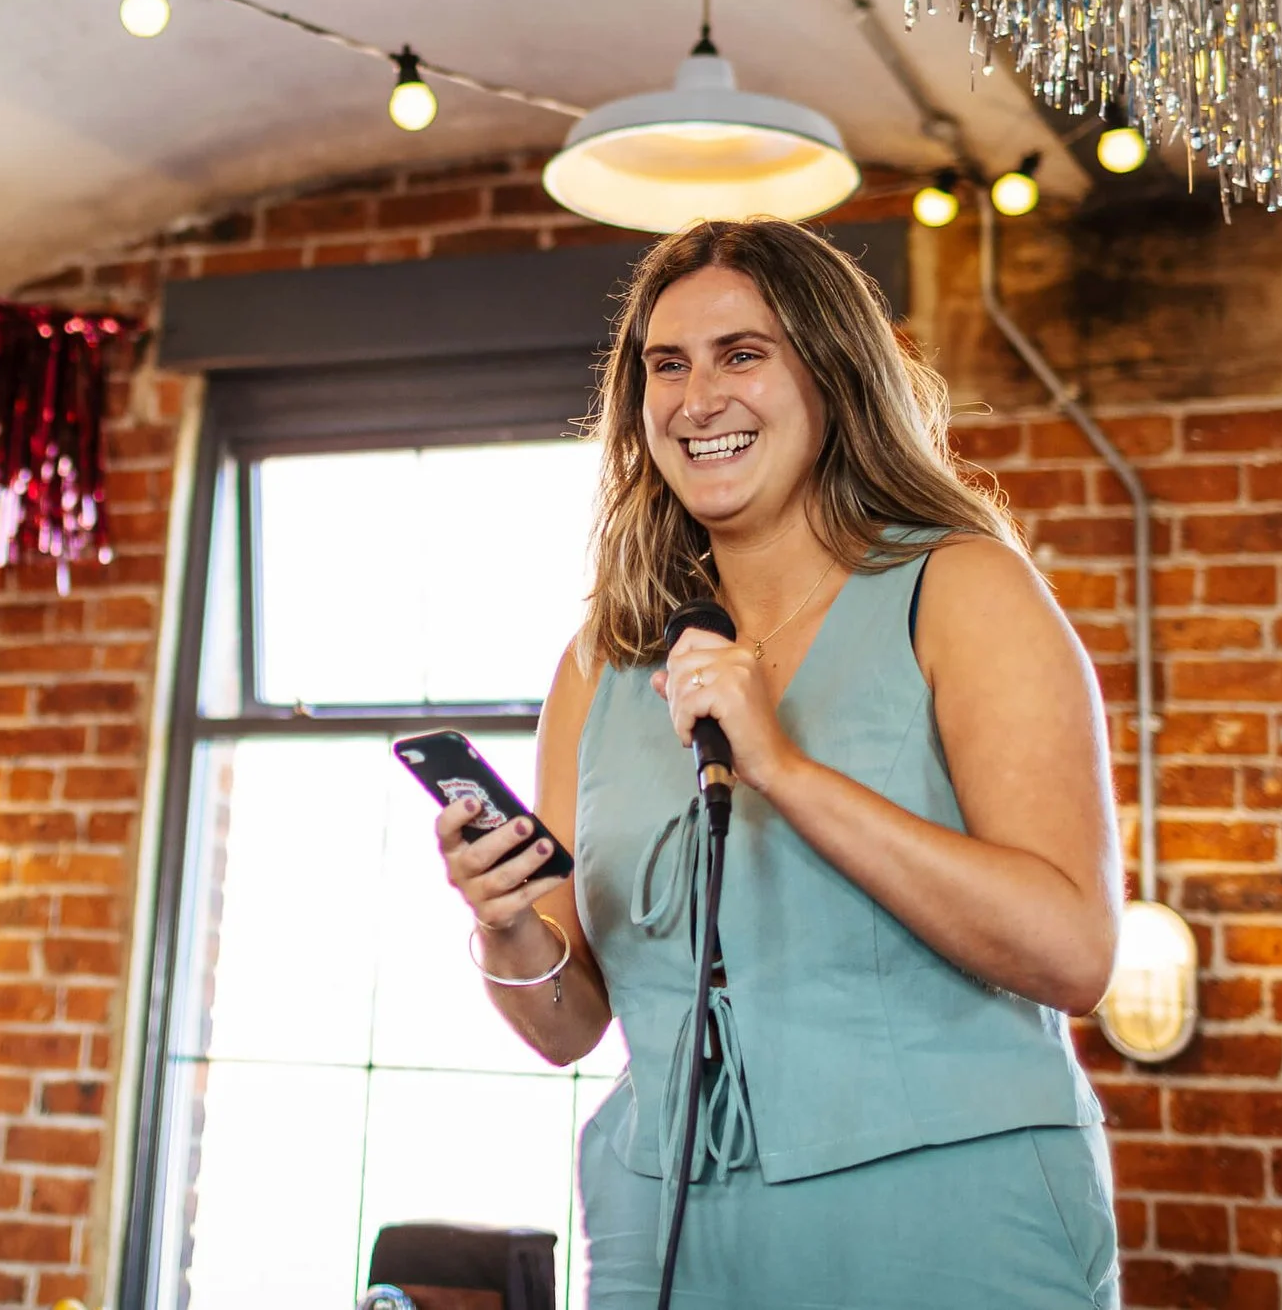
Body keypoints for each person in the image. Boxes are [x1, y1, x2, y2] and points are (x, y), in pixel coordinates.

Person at [436, 220, 1123, 1308]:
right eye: (668, 364)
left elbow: (1072, 948)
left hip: (946, 1215)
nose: (697, 397)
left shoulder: (961, 588)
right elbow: (570, 1024)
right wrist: (506, 925)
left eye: (740, 353)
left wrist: (787, 770)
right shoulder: (601, 663)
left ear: (832, 373)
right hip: (659, 1226)